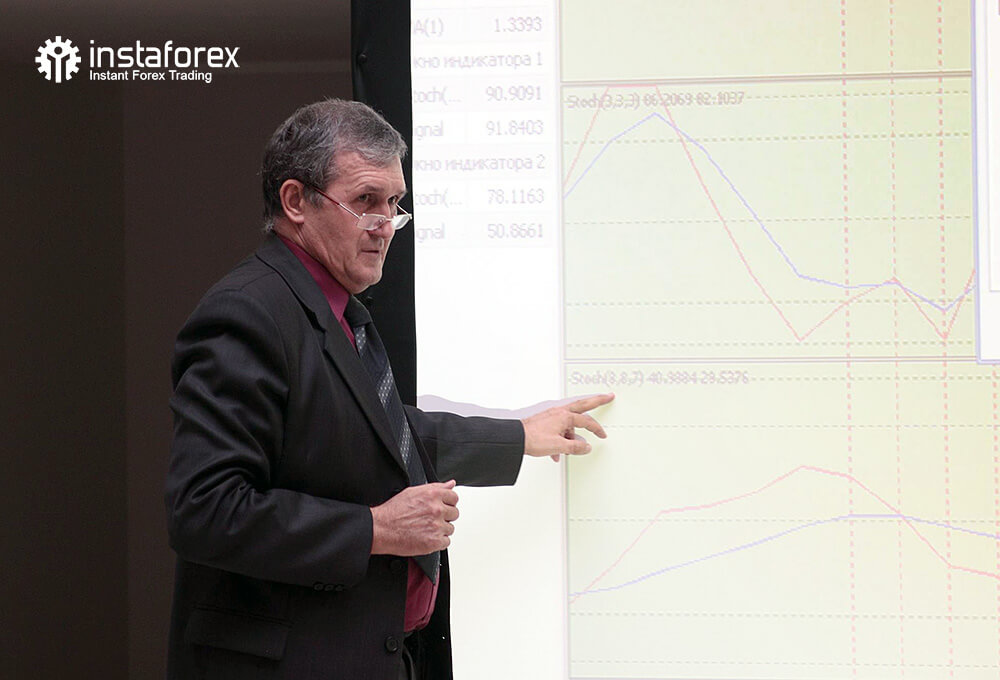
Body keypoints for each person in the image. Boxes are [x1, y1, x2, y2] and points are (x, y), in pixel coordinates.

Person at [164, 98, 613, 680]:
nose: (385, 225)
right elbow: (205, 510)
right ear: (295, 201)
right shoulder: (248, 314)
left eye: (394, 204)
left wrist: (518, 436)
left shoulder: (333, 307)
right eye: (365, 201)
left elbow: (377, 433)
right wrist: (376, 529)